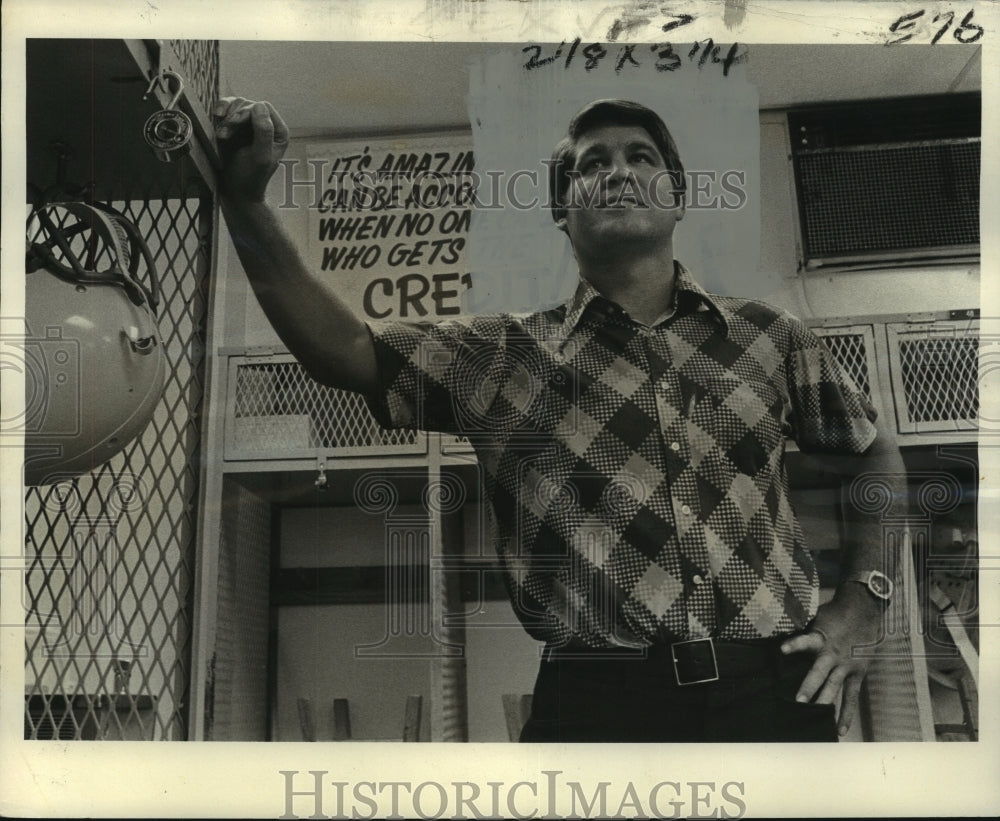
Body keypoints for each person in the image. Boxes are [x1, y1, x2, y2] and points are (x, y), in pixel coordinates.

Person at [214, 96, 907, 742]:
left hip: (774, 692)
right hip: (598, 705)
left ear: (678, 197)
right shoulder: (498, 355)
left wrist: (866, 599)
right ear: (560, 209)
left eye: (642, 157)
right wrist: (245, 204)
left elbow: (876, 453)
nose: (618, 172)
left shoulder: (769, 336)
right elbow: (344, 351)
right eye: (591, 164)